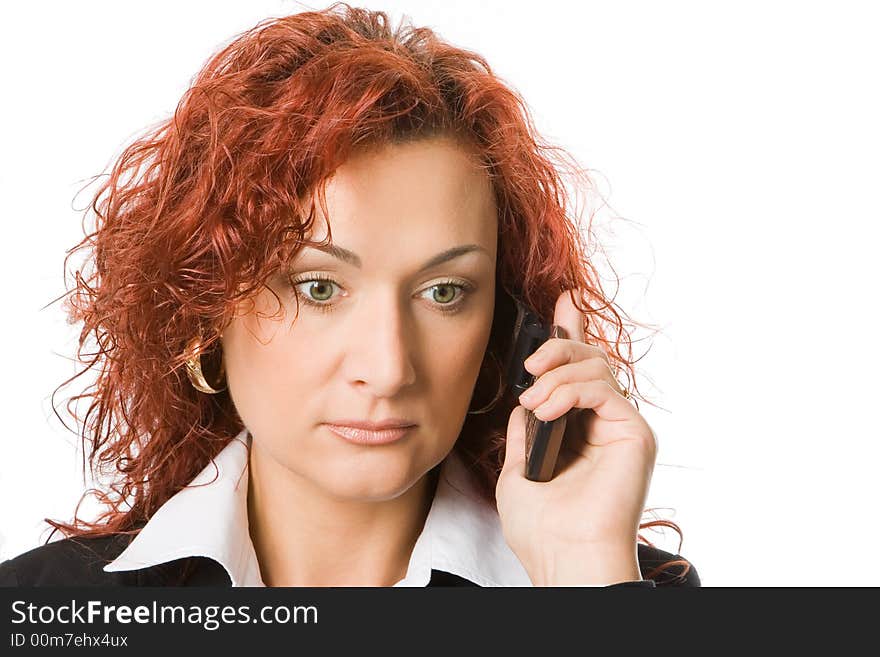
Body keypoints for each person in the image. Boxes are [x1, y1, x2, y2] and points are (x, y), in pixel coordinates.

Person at [0, 3, 698, 587]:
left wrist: (581, 570)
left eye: (445, 291)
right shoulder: (42, 604)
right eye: (320, 286)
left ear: (511, 330)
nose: (389, 368)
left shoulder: (611, 586)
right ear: (207, 305)